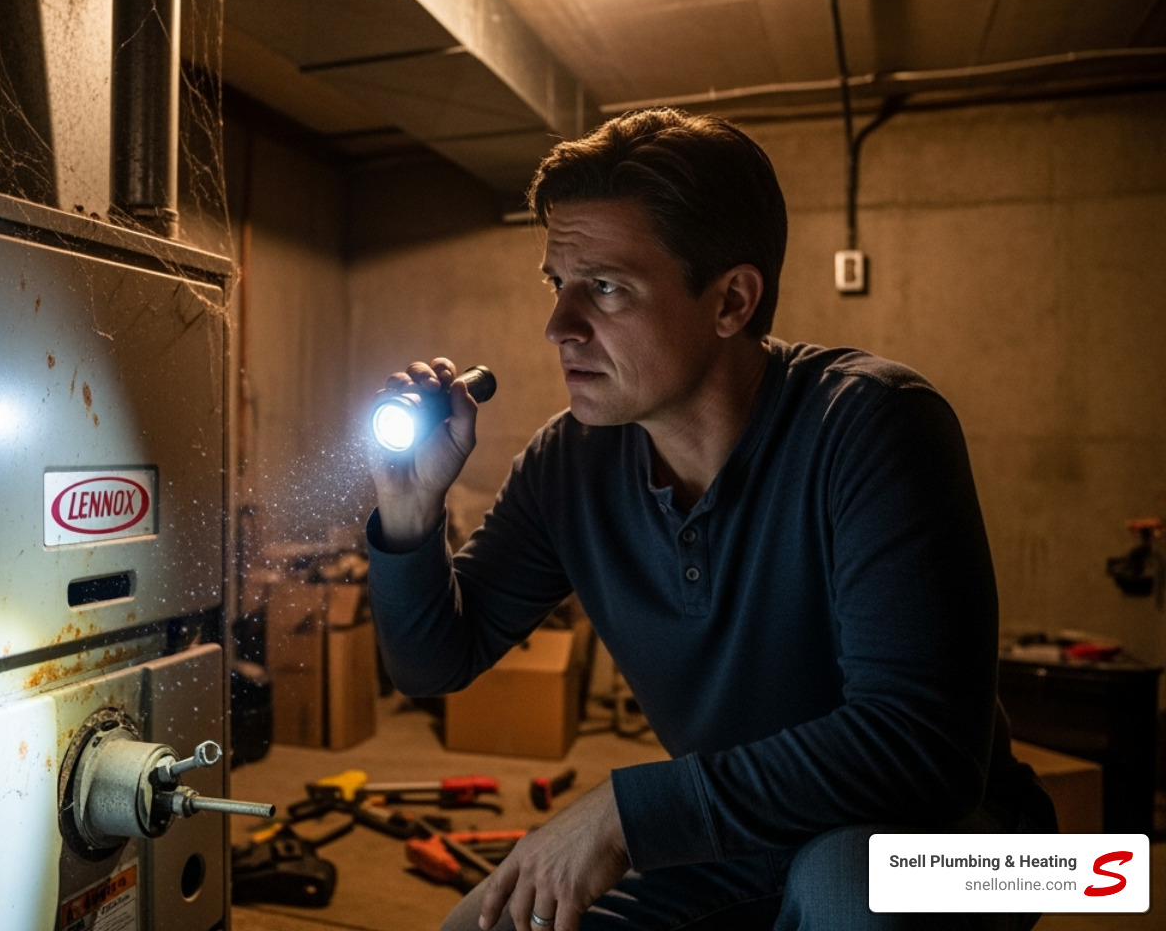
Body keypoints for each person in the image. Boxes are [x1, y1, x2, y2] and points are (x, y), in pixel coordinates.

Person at [363, 108, 1054, 931]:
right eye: (558, 285)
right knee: (482, 927)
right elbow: (431, 665)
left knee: (844, 888)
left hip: (986, 850)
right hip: (758, 840)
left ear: (731, 300)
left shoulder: (874, 422)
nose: (558, 327)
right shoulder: (569, 464)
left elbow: (921, 754)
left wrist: (624, 815)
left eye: (607, 287)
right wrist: (410, 517)